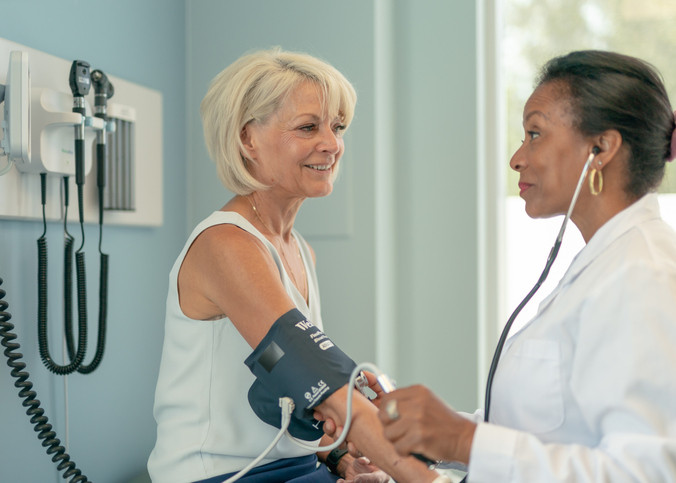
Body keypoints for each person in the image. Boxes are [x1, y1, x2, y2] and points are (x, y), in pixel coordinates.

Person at [371, 50, 676, 482]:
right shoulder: (603, 265)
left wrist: (463, 441)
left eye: (535, 133)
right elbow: (551, 434)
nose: (517, 157)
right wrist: (423, 436)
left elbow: (645, 472)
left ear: (601, 148)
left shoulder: (643, 274)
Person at [147, 48, 437, 483]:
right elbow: (320, 377)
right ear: (248, 139)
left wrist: (338, 459)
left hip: (294, 468)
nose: (332, 144)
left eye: (337, 127)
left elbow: (284, 383)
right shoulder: (225, 245)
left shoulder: (299, 250)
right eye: (308, 127)